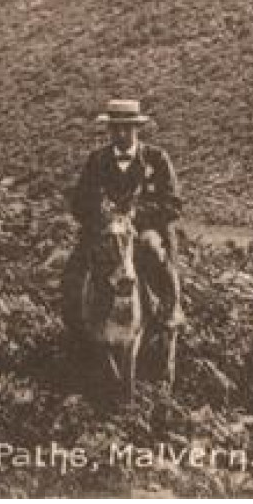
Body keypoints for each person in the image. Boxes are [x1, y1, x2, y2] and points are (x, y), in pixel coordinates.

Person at [61, 98, 185, 334]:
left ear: (137, 129)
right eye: (115, 128)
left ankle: (169, 310)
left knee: (152, 250)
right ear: (109, 130)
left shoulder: (156, 159)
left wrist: (138, 216)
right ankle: (77, 323)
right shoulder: (97, 160)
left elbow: (173, 204)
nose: (120, 134)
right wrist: (102, 217)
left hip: (144, 229)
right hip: (106, 230)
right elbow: (79, 203)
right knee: (74, 268)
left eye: (126, 128)